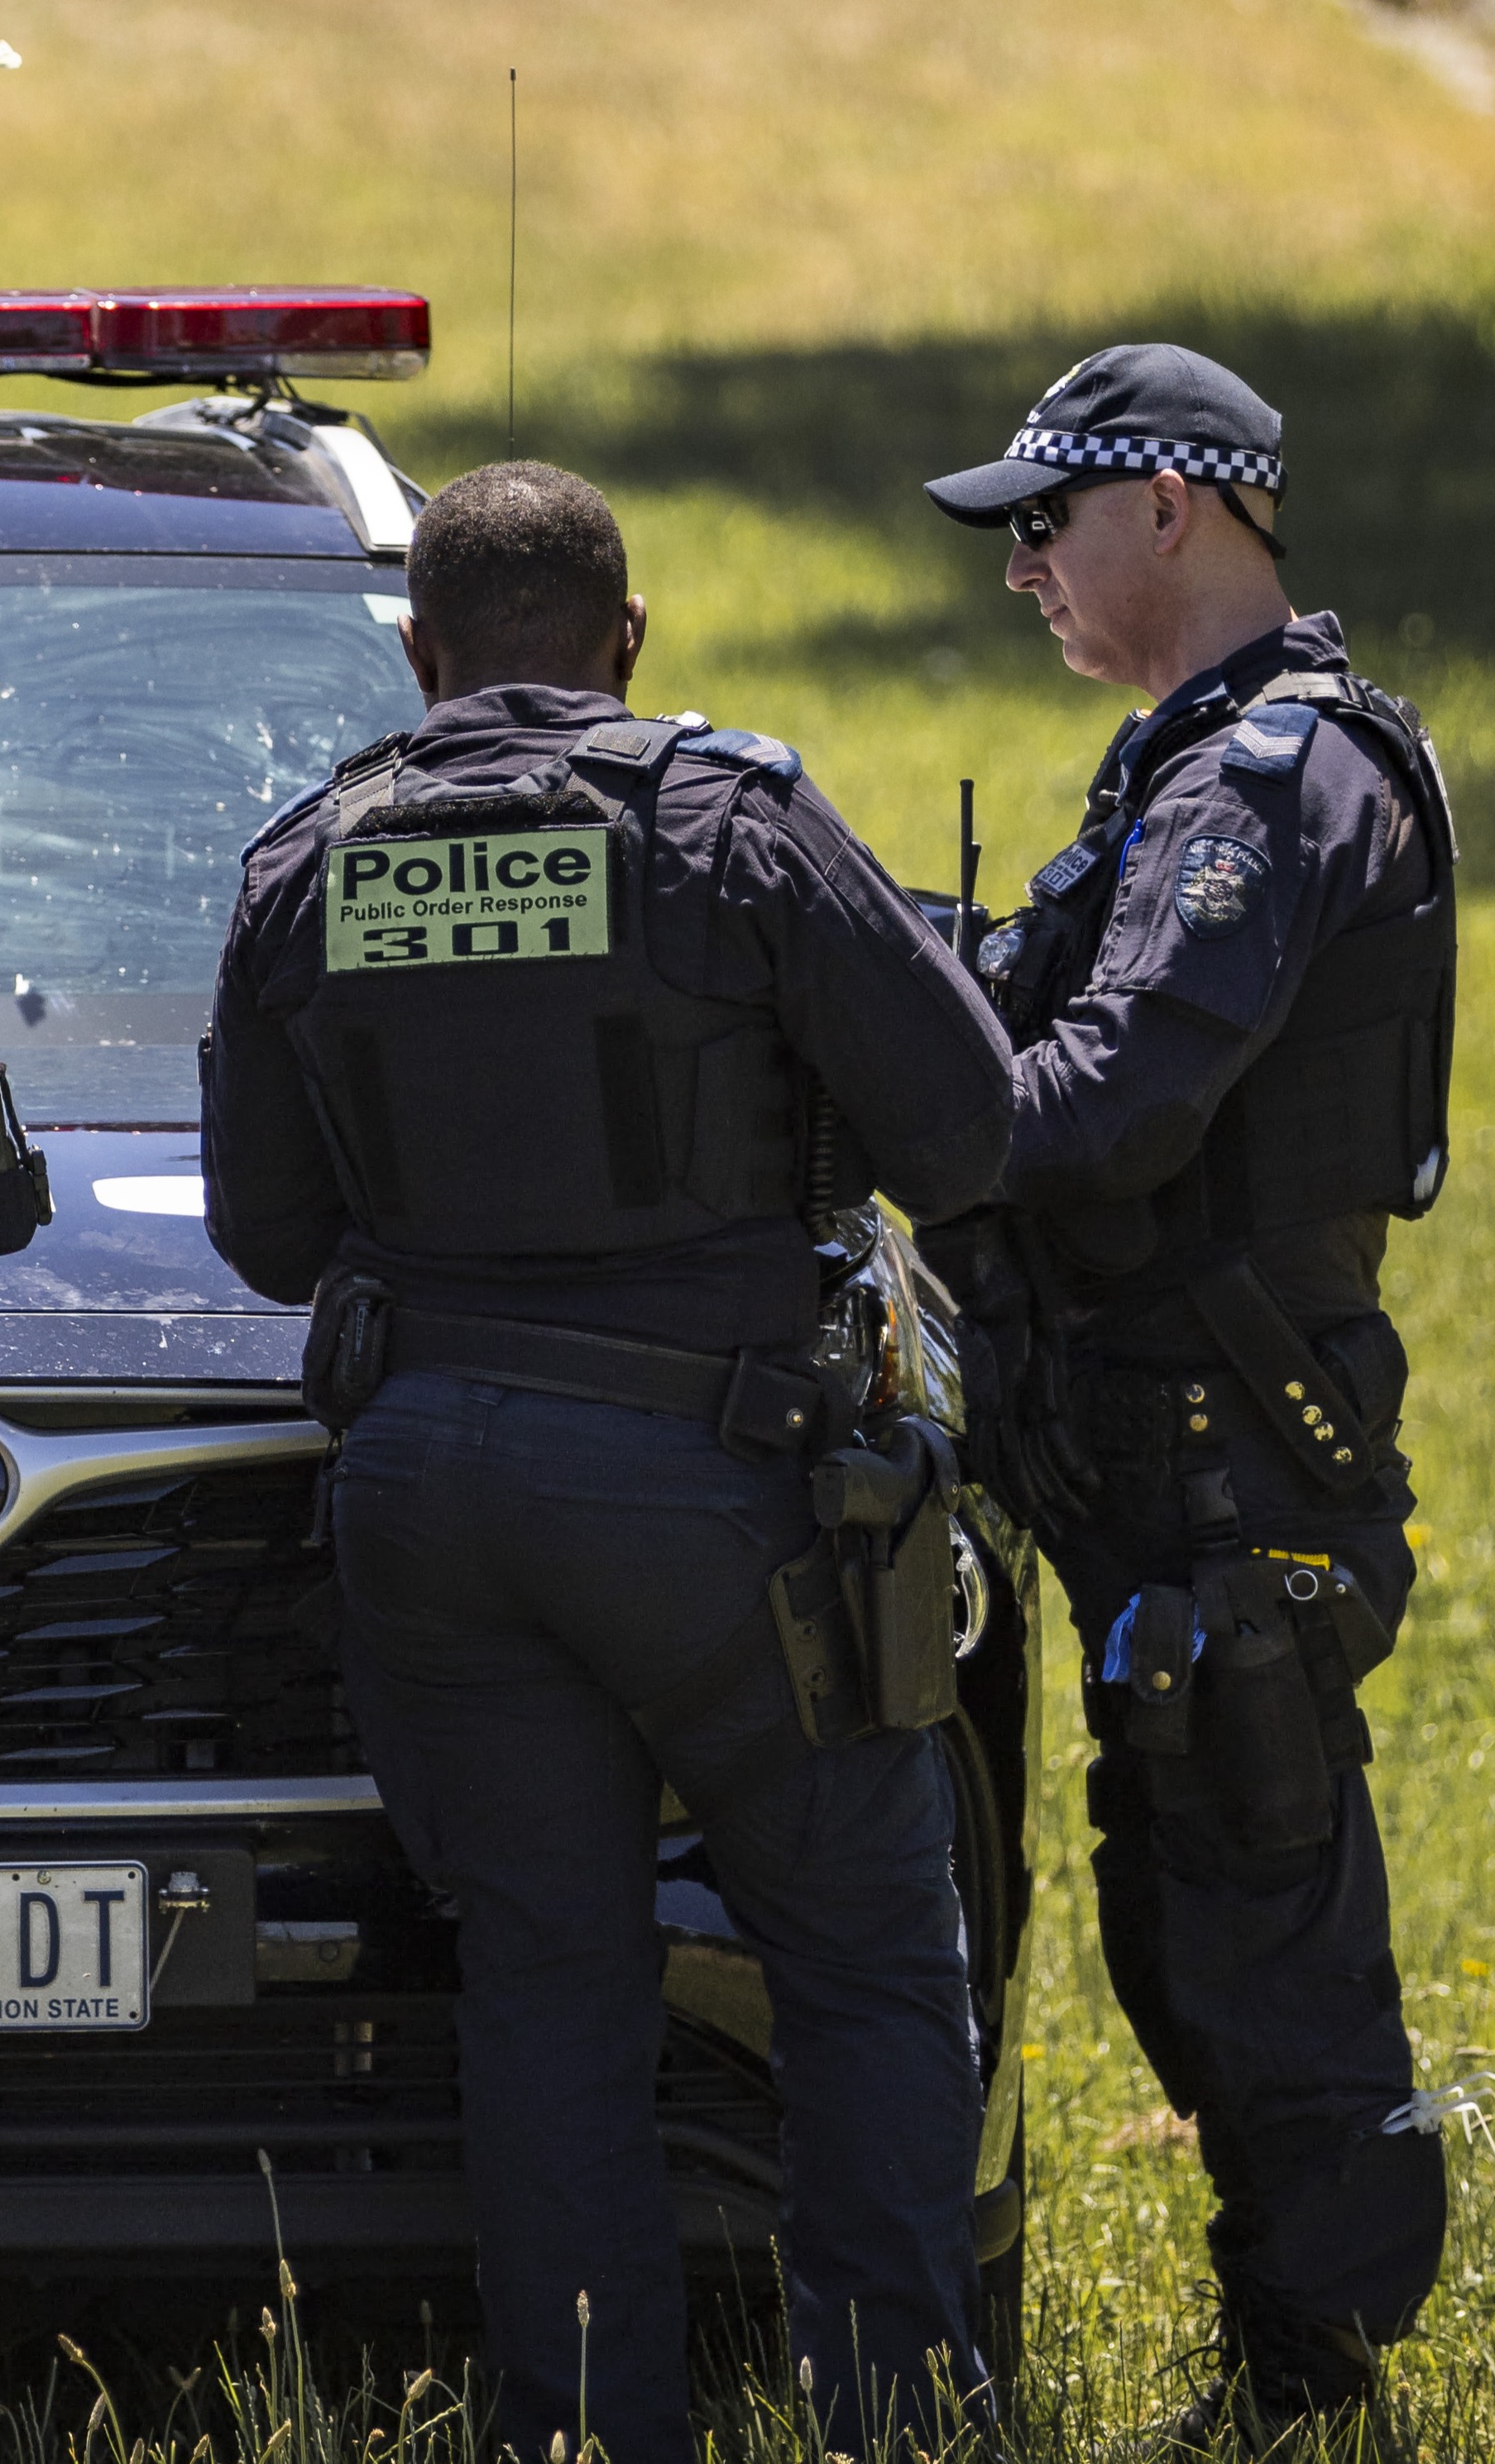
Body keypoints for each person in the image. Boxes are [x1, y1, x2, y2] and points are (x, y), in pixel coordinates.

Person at [200, 461, 1016, 2462]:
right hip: (722, 1498)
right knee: (861, 1961)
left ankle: (577, 2433)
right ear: (627, 642)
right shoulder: (728, 822)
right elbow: (972, 1131)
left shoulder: (307, 859)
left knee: (546, 1986)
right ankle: (899, 2426)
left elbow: (265, 1237)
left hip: (430, 1507)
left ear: (417, 654)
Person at [918, 344, 1459, 2458]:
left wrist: (908, 1072)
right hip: (1152, 1431)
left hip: (1235, 1442)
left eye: (1040, 525)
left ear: (1171, 506)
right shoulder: (1189, 764)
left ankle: (1315, 2382)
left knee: (1246, 1894)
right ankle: (1285, 2357)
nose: (1020, 570)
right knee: (1176, 1889)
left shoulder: (1263, 783)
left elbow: (1110, 1108)